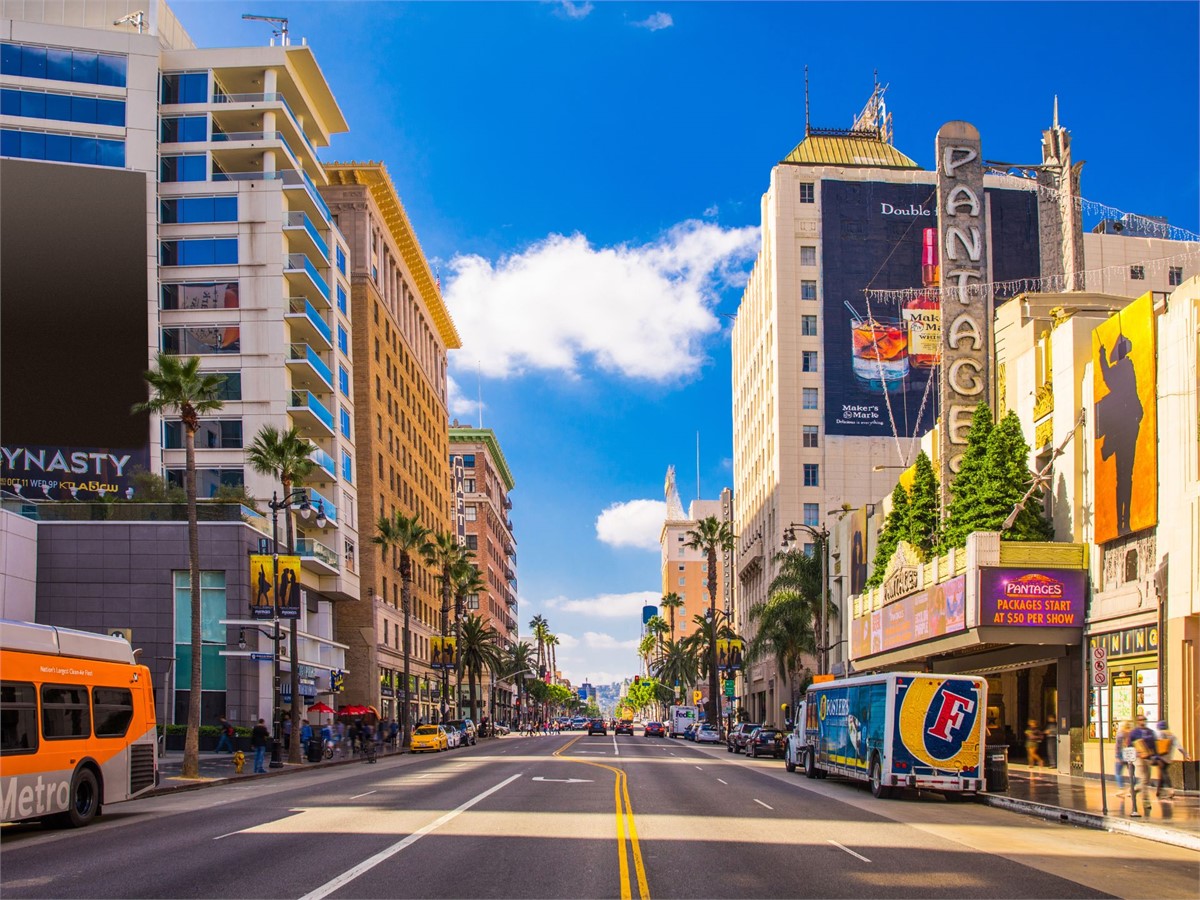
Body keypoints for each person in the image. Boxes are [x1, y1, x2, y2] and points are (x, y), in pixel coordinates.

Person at [1128, 714, 1158, 816]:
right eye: (1140, 720)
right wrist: (1135, 755)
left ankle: (1134, 789)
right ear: (1137, 721)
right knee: (1144, 779)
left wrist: (1155, 756)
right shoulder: (1134, 733)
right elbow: (1129, 746)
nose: (1143, 721)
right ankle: (1146, 801)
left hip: (1148, 757)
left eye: (1144, 719)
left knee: (1146, 780)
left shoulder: (1150, 732)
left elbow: (1154, 745)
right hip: (1139, 758)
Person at [1152, 719, 1190, 800]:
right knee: (1162, 773)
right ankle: (1159, 791)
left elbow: (1154, 746)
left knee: (1164, 773)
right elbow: (1179, 746)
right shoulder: (1172, 735)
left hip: (1160, 758)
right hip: (1169, 758)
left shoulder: (1158, 734)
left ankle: (1170, 789)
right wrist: (1186, 754)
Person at [1113, 719, 1135, 797]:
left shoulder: (1120, 733)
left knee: (1118, 772)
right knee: (1131, 773)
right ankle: (1132, 790)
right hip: (1130, 753)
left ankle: (1121, 789)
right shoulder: (1132, 733)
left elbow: (1118, 745)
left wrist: (1117, 755)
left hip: (1121, 753)